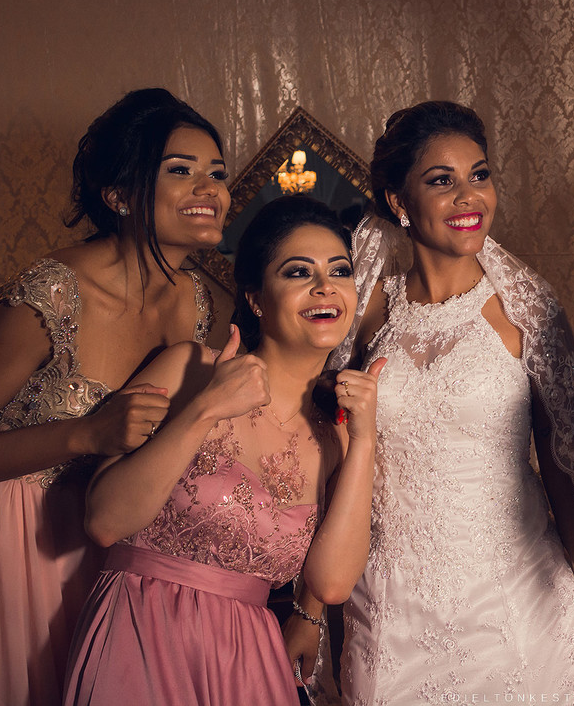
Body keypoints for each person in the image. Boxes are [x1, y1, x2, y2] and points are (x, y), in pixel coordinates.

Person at [306, 101, 574, 702]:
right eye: (442, 181)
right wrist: (309, 611)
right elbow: (326, 464)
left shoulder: (527, 313)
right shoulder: (362, 313)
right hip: (390, 609)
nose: (469, 196)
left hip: (519, 607)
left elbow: (567, 473)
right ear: (398, 201)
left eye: (480, 175)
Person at [0, 88, 224, 706]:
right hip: (6, 543)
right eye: (181, 170)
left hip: (112, 549)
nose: (210, 189)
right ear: (118, 195)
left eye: (217, 173)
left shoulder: (196, 302)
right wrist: (83, 434)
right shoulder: (51, 294)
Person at [63, 196, 384, 705]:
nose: (325, 286)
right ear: (256, 299)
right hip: (140, 636)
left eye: (339, 271)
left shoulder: (337, 435)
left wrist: (364, 439)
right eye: (299, 271)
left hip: (249, 661)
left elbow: (332, 585)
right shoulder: (188, 368)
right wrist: (206, 408)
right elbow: (104, 520)